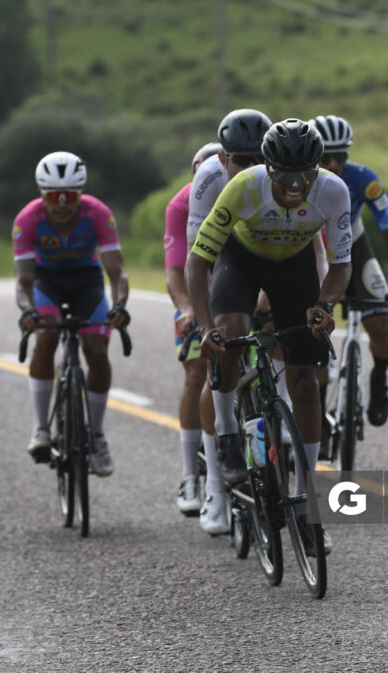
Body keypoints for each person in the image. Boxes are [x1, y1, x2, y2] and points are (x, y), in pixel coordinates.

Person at [185, 118, 352, 555]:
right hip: (240, 262)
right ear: (268, 170)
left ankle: (308, 504)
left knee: (304, 378)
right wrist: (206, 329)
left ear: (317, 171)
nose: (295, 187)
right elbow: (198, 263)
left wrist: (325, 305)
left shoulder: (333, 191)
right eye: (284, 178)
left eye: (305, 177)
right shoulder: (243, 186)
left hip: (293, 267)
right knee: (230, 335)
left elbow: (340, 263)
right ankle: (225, 439)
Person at [13, 151, 130, 476]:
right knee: (47, 334)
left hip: (86, 281)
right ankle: (41, 429)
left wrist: (119, 304)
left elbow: (117, 272)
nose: (62, 203)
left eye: (70, 196)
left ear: (80, 193)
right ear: (42, 193)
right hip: (46, 280)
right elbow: (23, 282)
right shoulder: (27, 219)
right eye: (54, 196)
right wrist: (28, 311)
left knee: (96, 349)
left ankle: (96, 435)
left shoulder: (97, 214)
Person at [186, 108, 273, 534]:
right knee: (225, 347)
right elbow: (199, 261)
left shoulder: (287, 177)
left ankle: (282, 415)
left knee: (284, 332)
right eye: (242, 159)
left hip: (273, 260)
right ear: (224, 160)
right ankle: (217, 480)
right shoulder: (207, 181)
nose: (252, 168)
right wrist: (206, 325)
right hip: (224, 258)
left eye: (260, 158)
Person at [309, 114, 388, 427]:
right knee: (314, 331)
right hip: (314, 250)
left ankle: (379, 380)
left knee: (380, 321)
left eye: (341, 157)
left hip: (355, 245)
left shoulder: (364, 178)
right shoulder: (299, 181)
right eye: (326, 158)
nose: (335, 165)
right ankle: (318, 409)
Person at [164, 141, 222, 516]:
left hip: (235, 287)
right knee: (196, 372)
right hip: (195, 290)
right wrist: (186, 308)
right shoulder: (182, 204)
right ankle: (189, 475)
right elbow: (175, 269)